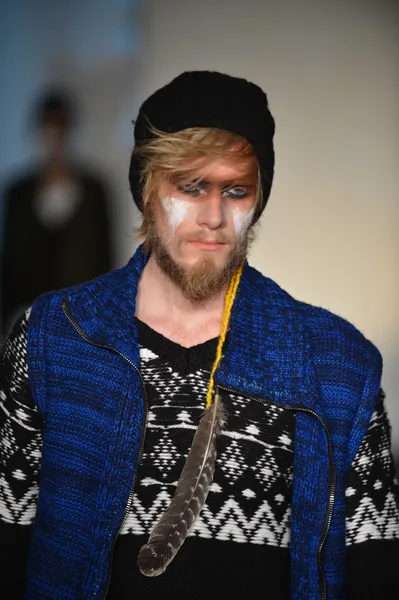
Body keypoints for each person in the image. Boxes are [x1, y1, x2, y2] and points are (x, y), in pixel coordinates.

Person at [0, 71, 398, 600]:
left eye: (236, 191)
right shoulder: (53, 338)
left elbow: (376, 569)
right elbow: (7, 546)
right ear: (147, 190)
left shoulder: (339, 366)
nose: (214, 217)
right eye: (191, 187)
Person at [0, 88, 113, 338]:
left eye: (59, 130)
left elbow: (104, 258)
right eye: (47, 131)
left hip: (81, 321)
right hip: (26, 320)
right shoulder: (17, 193)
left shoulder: (94, 191)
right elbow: (9, 263)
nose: (53, 140)